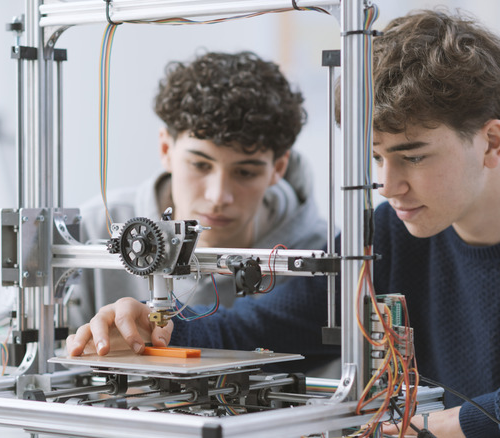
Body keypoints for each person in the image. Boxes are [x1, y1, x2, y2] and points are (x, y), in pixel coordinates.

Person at [69, 9, 500, 438]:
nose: (387, 185)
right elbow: (255, 332)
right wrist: (150, 330)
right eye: (375, 157)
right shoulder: (385, 234)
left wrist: (452, 421)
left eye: (412, 157)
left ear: (492, 142)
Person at [66, 51, 330, 336]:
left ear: (278, 167)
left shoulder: (320, 257)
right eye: (200, 165)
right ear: (166, 149)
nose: (218, 196)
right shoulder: (90, 229)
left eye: (245, 172)